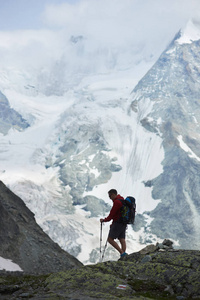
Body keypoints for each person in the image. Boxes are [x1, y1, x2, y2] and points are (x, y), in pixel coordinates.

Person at [100, 189, 127, 258]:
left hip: (118, 223)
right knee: (122, 239)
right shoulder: (122, 200)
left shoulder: (117, 202)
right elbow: (118, 214)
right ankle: (123, 254)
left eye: (110, 196)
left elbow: (112, 214)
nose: (110, 198)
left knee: (110, 239)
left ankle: (121, 252)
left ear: (113, 194)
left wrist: (104, 220)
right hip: (123, 223)